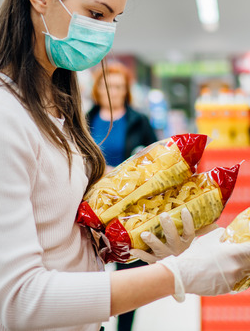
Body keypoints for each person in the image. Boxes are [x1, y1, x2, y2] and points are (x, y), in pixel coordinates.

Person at [0, 0, 250, 331]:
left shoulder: (57, 105)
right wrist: (176, 277)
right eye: (95, 13)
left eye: (113, 19)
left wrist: (133, 245)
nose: (105, 33)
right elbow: (19, 302)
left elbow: (60, 240)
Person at [87, 62, 157, 331]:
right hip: (93, 206)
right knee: (91, 268)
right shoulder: (85, 119)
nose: (112, 91)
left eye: (118, 86)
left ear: (126, 90)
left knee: (130, 272)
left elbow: (155, 159)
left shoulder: (139, 121)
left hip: (131, 210)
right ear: (97, 89)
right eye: (107, 85)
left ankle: (124, 328)